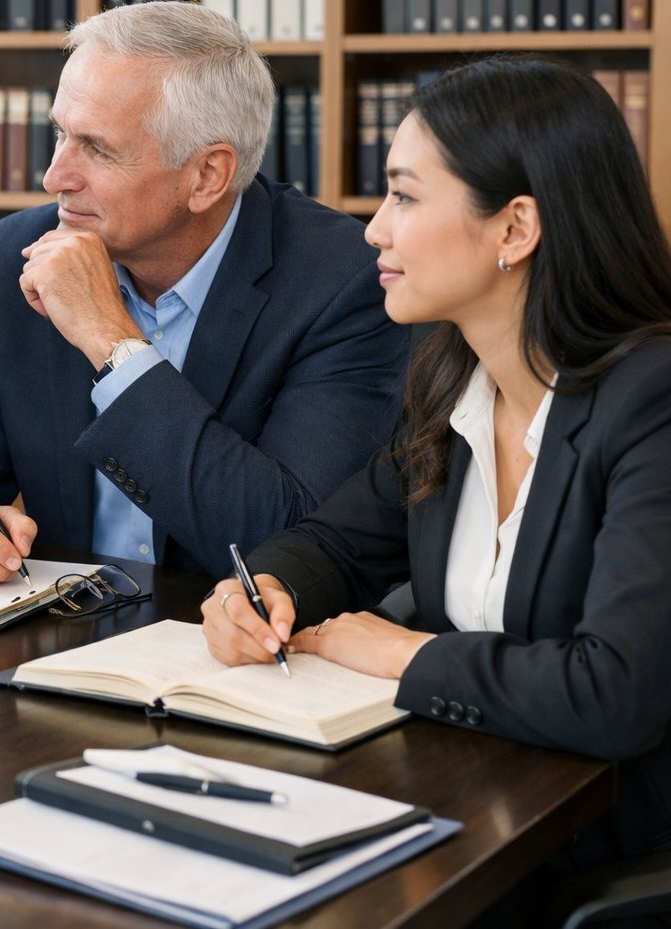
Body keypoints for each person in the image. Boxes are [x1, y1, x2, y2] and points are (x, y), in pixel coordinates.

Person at [203, 57, 671, 891]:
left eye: (405, 197)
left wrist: (404, 656)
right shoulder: (454, 381)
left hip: (599, 846)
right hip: (467, 809)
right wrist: (267, 587)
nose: (373, 230)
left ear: (515, 229)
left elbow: (617, 691)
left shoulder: (652, 402)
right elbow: (336, 542)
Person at [0, 1, 407, 586]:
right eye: (59, 134)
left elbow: (290, 537)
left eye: (96, 148)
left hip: (234, 647)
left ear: (207, 176)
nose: (54, 177)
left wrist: (111, 342)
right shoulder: (19, 250)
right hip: (62, 633)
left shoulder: (345, 280)